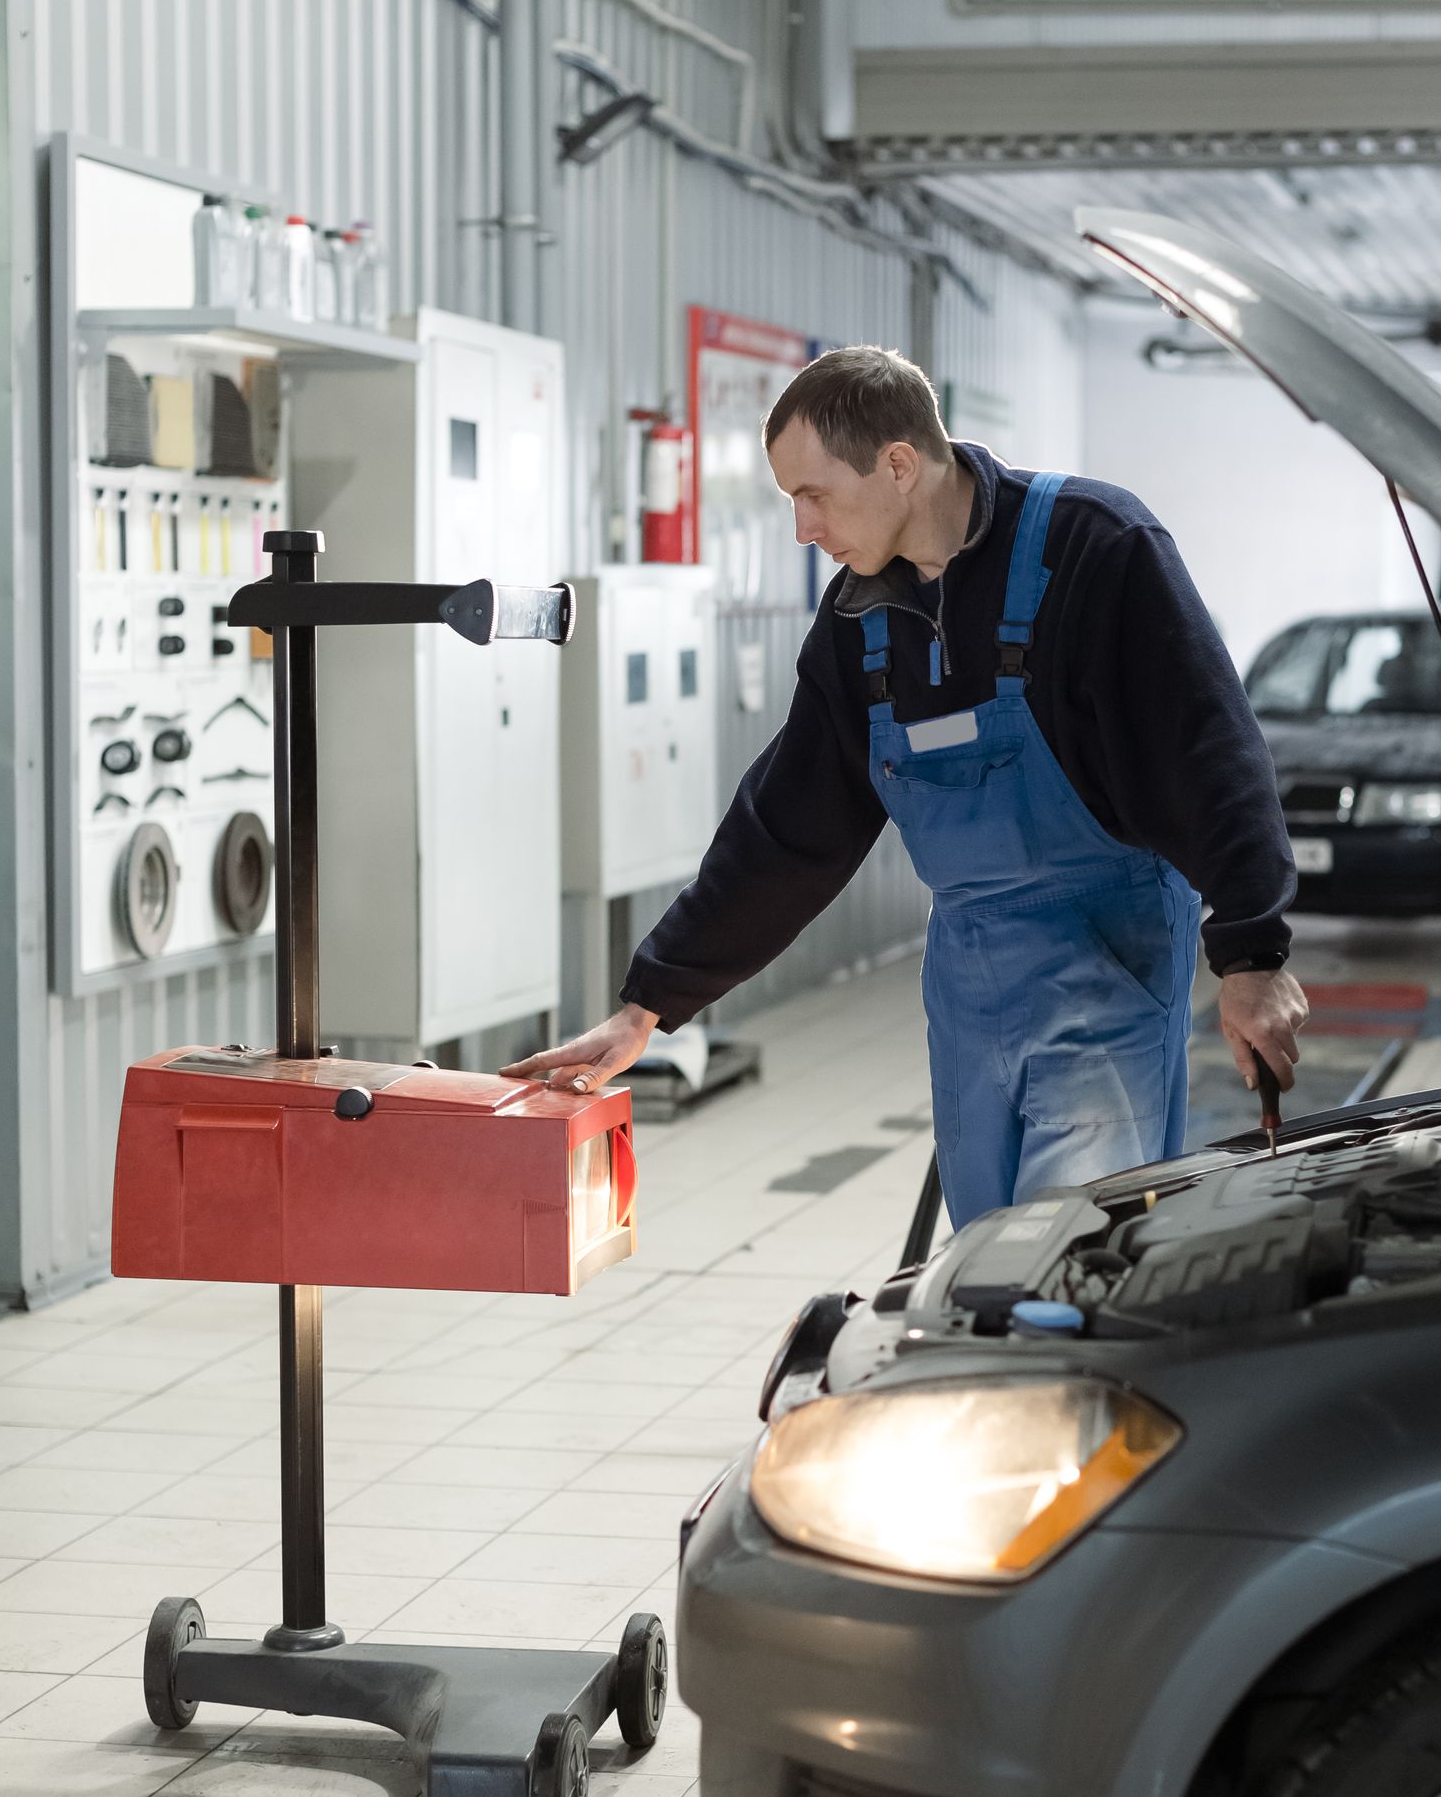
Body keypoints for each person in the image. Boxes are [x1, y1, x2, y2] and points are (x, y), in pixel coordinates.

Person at [511, 346, 1306, 1229]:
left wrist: (1251, 953)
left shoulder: (1096, 547)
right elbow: (790, 824)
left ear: (898, 465)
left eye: (814, 495)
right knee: (984, 1250)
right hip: (971, 979)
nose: (804, 530)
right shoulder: (860, 618)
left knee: (1074, 1250)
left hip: (1106, 959)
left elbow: (1211, 751)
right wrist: (650, 1004)